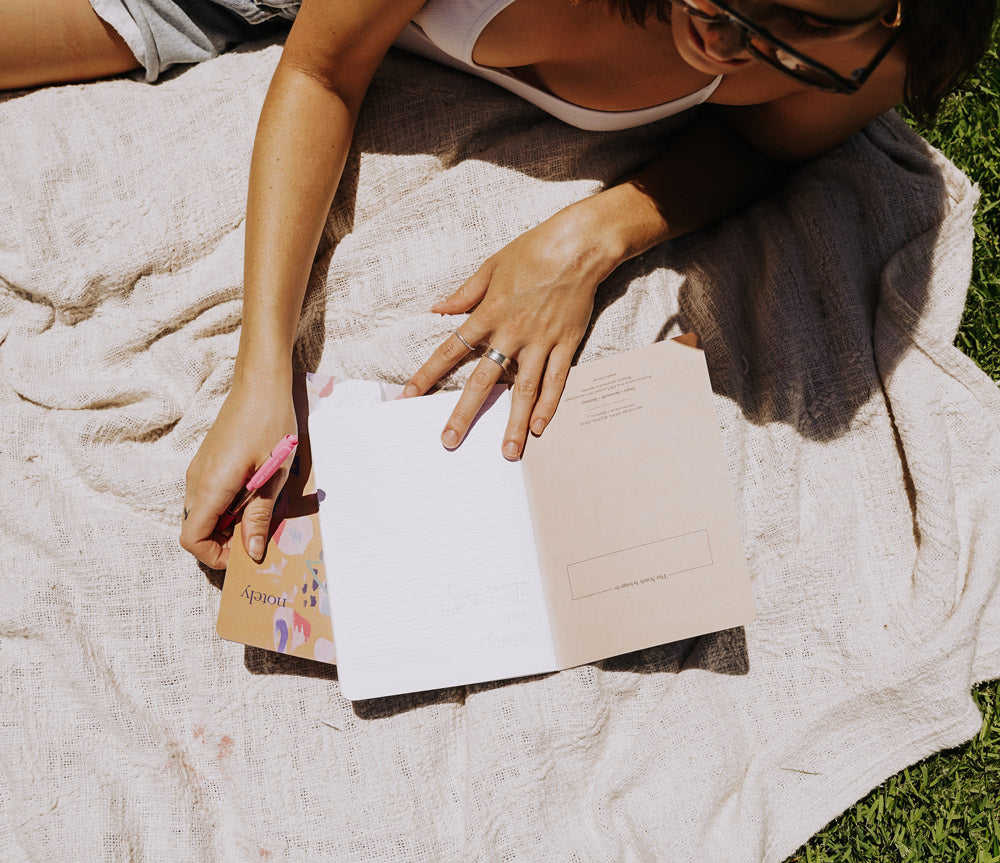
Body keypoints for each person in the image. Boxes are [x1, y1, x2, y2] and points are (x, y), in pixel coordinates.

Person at [3, 0, 994, 570]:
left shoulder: (862, 54)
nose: (728, 48)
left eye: (783, 39)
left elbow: (752, 140)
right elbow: (321, 73)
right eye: (719, 5)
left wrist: (592, 234)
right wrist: (264, 370)